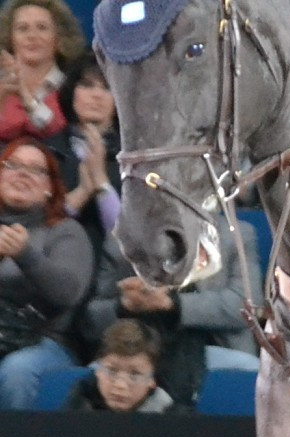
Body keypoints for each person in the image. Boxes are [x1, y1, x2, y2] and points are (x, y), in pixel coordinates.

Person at [80, 215, 262, 406]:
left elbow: (245, 307)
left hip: (213, 346)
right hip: (139, 350)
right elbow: (92, 319)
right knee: (90, 379)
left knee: (252, 371)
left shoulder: (235, 235)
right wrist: (124, 306)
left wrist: (172, 304)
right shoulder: (121, 238)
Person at [0, 137, 94, 409]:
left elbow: (68, 293)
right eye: (12, 165)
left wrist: (25, 254)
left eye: (36, 170)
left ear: (50, 188)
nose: (22, 174)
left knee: (17, 371)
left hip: (45, 341)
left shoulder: (65, 231)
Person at [46, 52, 121, 261]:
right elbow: (40, 228)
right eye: (87, 85)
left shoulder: (134, 159)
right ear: (72, 93)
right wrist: (83, 192)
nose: (96, 95)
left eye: (107, 87)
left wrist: (101, 183)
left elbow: (130, 237)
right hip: (59, 262)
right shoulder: (47, 152)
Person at [0, 0, 85, 144]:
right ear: (9, 37)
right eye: (22, 28)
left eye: (42, 27)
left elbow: (60, 134)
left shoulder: (73, 88)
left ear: (59, 37)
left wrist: (26, 97)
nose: (32, 36)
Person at [66, 319, 175, 413]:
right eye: (111, 371)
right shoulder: (81, 401)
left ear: (152, 380)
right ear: (98, 370)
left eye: (134, 375)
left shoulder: (170, 414)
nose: (120, 385)